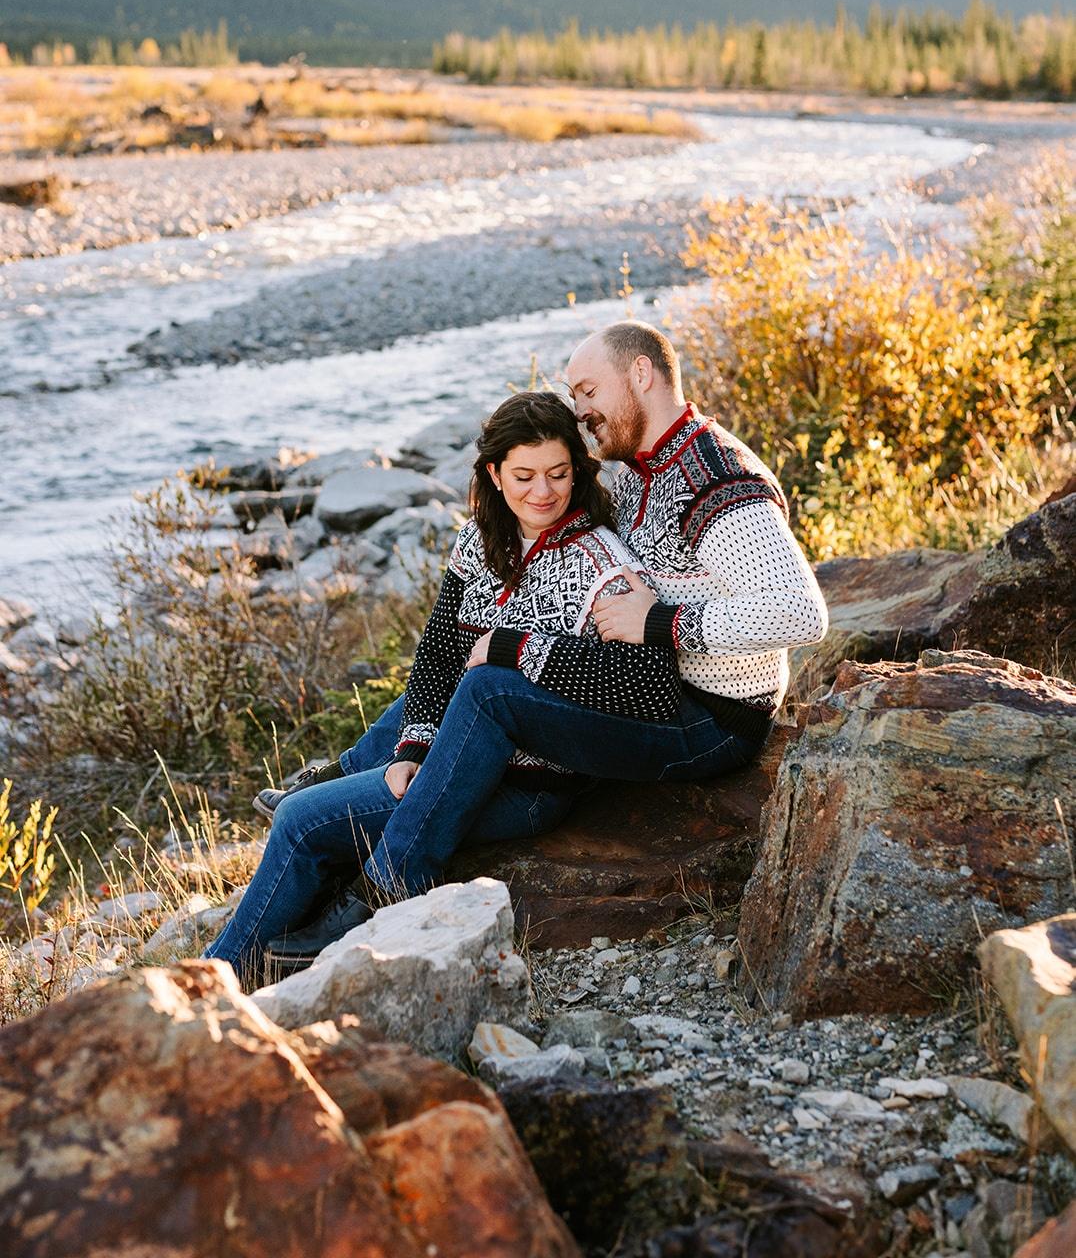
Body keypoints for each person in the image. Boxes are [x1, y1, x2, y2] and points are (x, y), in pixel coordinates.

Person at [340, 321, 829, 906]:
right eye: (575, 397)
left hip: (708, 718)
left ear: (640, 374)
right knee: (456, 663)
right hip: (650, 681)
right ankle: (339, 783)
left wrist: (665, 622)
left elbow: (801, 613)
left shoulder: (717, 480)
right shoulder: (642, 467)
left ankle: (382, 884)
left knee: (490, 687)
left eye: (589, 391)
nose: (581, 411)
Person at [206, 389, 680, 986]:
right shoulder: (480, 541)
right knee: (321, 811)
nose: (543, 493)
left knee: (301, 822)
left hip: (527, 783)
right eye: (525, 476)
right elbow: (437, 657)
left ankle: (209, 988)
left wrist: (527, 655)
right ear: (494, 474)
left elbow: (644, 687)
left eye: (559, 474)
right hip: (456, 755)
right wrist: (411, 749)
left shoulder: (601, 564)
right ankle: (236, 981)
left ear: (577, 472)